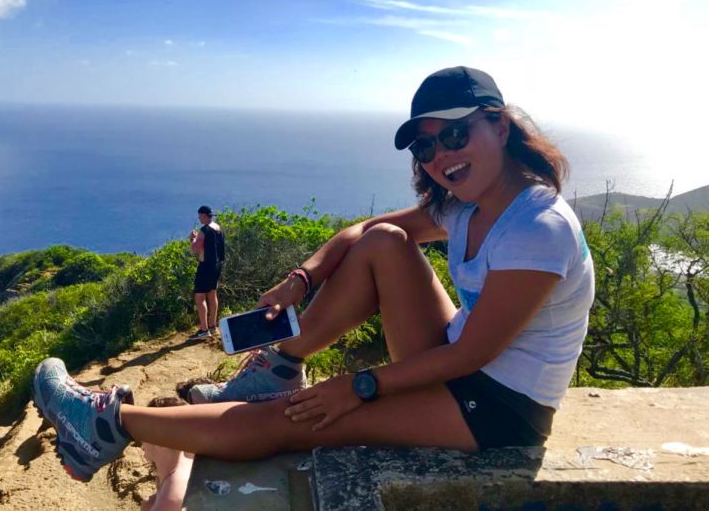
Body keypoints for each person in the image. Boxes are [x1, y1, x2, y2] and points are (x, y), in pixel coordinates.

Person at [32, 65, 595, 483]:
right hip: (456, 363)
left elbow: (470, 356)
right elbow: (363, 231)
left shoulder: (538, 227)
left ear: (499, 125)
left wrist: (358, 386)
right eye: (426, 145)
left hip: (497, 410)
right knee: (384, 242)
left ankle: (108, 424)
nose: (439, 155)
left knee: (298, 420)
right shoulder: (465, 204)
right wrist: (302, 278)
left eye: (454, 134)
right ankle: (282, 363)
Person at [140, 397, 194, 511]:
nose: (141, 441)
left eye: (144, 432)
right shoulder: (189, 460)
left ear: (160, 440)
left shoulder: (172, 495)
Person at [188, 205, 225, 341]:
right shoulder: (218, 228)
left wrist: (193, 238)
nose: (198, 219)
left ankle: (204, 330)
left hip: (205, 266)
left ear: (204, 215)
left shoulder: (204, 231)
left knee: (200, 297)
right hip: (216, 266)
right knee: (212, 294)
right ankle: (212, 326)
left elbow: (195, 249)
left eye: (199, 216)